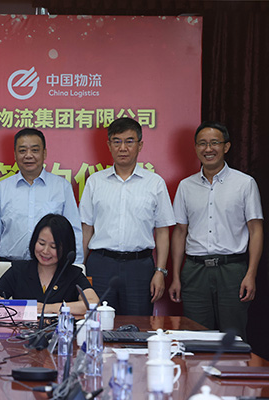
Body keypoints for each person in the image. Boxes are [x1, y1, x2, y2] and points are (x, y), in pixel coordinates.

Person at [169, 121, 263, 339]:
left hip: (232, 271)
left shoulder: (245, 183)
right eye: (202, 143)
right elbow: (180, 232)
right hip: (195, 271)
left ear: (226, 146)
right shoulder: (185, 186)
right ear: (195, 148)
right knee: (195, 338)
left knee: (233, 338)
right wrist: (175, 276)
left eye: (214, 143)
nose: (208, 149)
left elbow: (256, 230)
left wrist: (251, 274)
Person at [80, 117, 175, 315]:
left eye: (129, 141)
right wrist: (80, 268)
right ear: (109, 145)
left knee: (138, 326)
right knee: (96, 324)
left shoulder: (155, 183)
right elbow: (86, 228)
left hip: (139, 267)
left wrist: (160, 271)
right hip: (101, 265)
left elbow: (162, 231)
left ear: (140, 145)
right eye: (117, 141)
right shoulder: (95, 182)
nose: (123, 148)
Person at [0, 128, 83, 287]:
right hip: (10, 269)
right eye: (22, 150)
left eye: (35, 150)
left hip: (52, 269)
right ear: (15, 155)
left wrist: (76, 270)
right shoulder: (2, 189)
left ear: (44, 153)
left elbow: (74, 232)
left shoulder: (61, 187)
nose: (28, 155)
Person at [0, 214, 98, 314]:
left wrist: (48, 308)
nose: (45, 251)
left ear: (65, 248)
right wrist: (18, 308)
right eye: (41, 243)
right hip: (21, 333)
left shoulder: (73, 274)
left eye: (53, 247)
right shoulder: (19, 270)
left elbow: (93, 304)